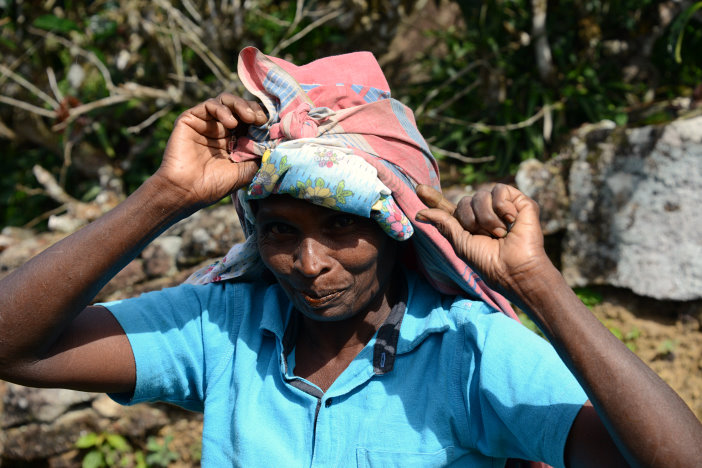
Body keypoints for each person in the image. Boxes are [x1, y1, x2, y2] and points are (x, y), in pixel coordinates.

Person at [0, 47, 700, 468]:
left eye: (342, 226)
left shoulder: (466, 351)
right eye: (278, 231)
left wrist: (536, 284)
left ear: (398, 227)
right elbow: (16, 347)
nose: (308, 262)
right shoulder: (223, 328)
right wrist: (166, 194)